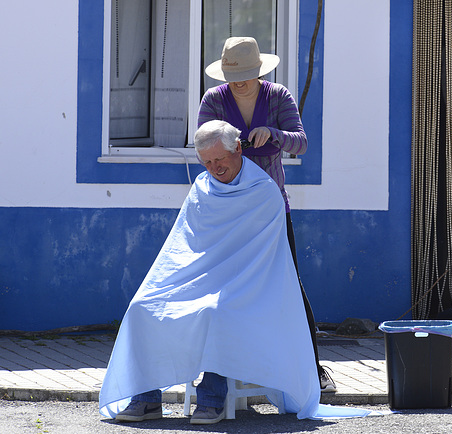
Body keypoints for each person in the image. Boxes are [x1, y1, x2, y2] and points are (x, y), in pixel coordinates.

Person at [100, 120, 321, 424]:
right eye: (206, 162)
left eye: (220, 160)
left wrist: (226, 286)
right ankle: (146, 398)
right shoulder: (201, 188)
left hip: (247, 286)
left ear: (239, 149)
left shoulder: (264, 192)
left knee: (217, 311)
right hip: (198, 281)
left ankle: (211, 399)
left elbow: (265, 259)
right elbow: (183, 248)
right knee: (143, 307)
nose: (214, 168)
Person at [198, 36, 336, 393]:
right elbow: (201, 143)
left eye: (245, 74)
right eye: (233, 74)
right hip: (226, 208)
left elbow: (301, 141)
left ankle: (314, 369)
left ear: (259, 71)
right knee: (222, 286)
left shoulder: (279, 96)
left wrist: (273, 133)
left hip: (270, 206)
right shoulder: (214, 100)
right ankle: (219, 370)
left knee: (287, 282)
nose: (238, 81)